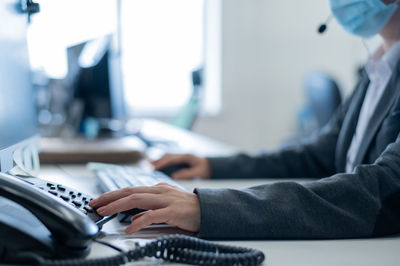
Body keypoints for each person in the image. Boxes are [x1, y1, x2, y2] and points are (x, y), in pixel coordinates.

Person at [90, 0, 400, 239]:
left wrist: (210, 208)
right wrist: (213, 166)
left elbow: (382, 192)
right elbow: (318, 157)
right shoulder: (376, 69)